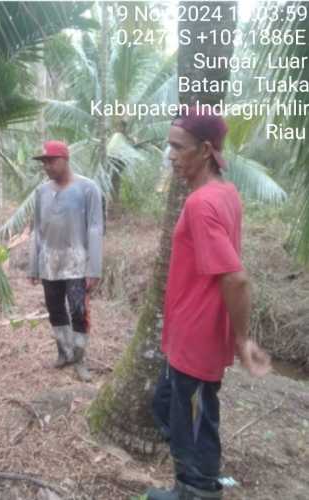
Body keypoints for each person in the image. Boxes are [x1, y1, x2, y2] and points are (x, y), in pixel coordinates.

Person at [145, 106, 271, 500]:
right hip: (190, 332)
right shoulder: (225, 194)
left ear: (204, 150)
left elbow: (235, 277)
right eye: (169, 146)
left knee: (195, 417)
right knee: (168, 404)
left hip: (198, 338)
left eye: (177, 147)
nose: (170, 155)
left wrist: (243, 339)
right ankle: (195, 475)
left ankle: (196, 489)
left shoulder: (201, 205)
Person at [28, 140, 104, 382]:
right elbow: (37, 229)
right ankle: (64, 352)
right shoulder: (42, 192)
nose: (47, 167)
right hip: (50, 261)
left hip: (77, 262)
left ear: (64, 160)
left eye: (51, 161)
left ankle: (79, 358)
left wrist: (94, 267)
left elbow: (95, 227)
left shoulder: (88, 188)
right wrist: (34, 264)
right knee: (55, 309)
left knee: (79, 310)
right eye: (44, 163)